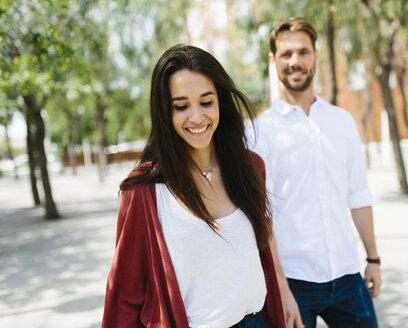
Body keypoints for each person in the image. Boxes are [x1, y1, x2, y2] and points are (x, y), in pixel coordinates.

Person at [102, 45, 285, 328]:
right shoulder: (143, 191)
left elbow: (263, 251)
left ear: (220, 102)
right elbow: (124, 295)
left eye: (206, 102)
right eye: (181, 106)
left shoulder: (251, 168)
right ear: (164, 111)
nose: (197, 117)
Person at [249, 17, 382, 328]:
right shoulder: (257, 133)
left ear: (316, 56)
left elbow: (358, 194)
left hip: (347, 274)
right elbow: (261, 216)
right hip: (294, 281)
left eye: (303, 52)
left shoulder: (342, 121)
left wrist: (373, 259)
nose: (296, 61)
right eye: (286, 54)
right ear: (273, 61)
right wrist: (280, 287)